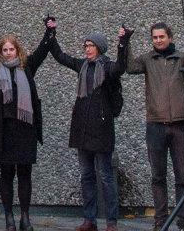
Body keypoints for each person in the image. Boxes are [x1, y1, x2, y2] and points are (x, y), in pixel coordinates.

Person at [44, 17, 127, 231]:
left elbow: (121, 66)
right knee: (86, 176)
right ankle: (89, 220)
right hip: (82, 130)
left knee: (106, 177)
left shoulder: (108, 68)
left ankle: (111, 222)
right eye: (86, 45)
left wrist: (123, 43)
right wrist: (51, 33)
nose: (88, 49)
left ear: (100, 48)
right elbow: (61, 56)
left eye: (91, 45)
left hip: (101, 131)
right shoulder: (82, 66)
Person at [0, 24, 50, 231]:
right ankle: (8, 216)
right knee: (6, 174)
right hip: (4, 131)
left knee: (24, 174)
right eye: (5, 49)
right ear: (0, 52)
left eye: (11, 49)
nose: (8, 52)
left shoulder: (27, 67)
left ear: (17, 50)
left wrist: (49, 30)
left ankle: (25, 216)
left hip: (25, 130)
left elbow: (43, 49)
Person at [123, 21, 184, 231]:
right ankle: (160, 221)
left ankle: (183, 220)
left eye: (161, 37)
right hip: (155, 125)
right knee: (158, 176)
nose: (158, 40)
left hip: (179, 124)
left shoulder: (180, 58)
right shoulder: (148, 59)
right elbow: (129, 67)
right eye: (154, 37)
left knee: (182, 175)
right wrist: (125, 41)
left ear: (169, 37)